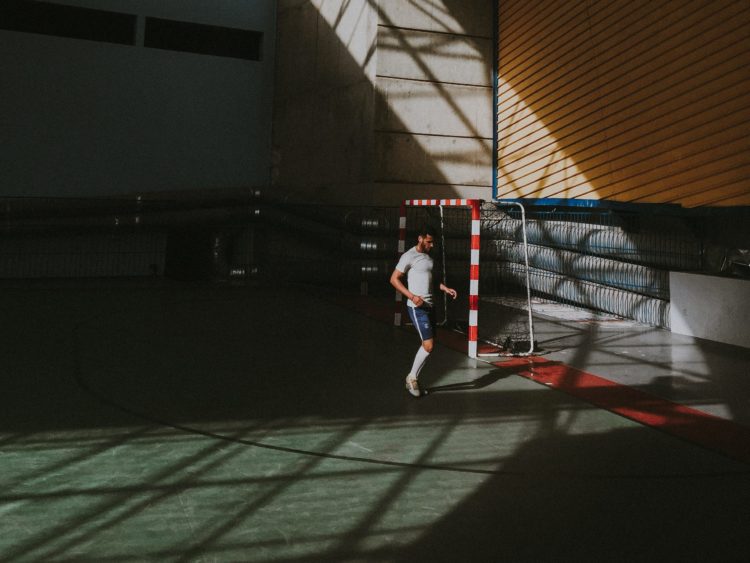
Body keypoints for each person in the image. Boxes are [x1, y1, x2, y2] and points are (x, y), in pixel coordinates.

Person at [390, 226, 457, 397]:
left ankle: (414, 378)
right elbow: (394, 279)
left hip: (430, 306)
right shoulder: (409, 256)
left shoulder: (428, 258)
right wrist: (412, 297)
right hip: (417, 307)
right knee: (428, 345)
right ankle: (411, 378)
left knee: (430, 344)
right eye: (429, 242)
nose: (431, 245)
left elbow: (431, 281)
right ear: (420, 238)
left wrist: (445, 288)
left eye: (433, 242)